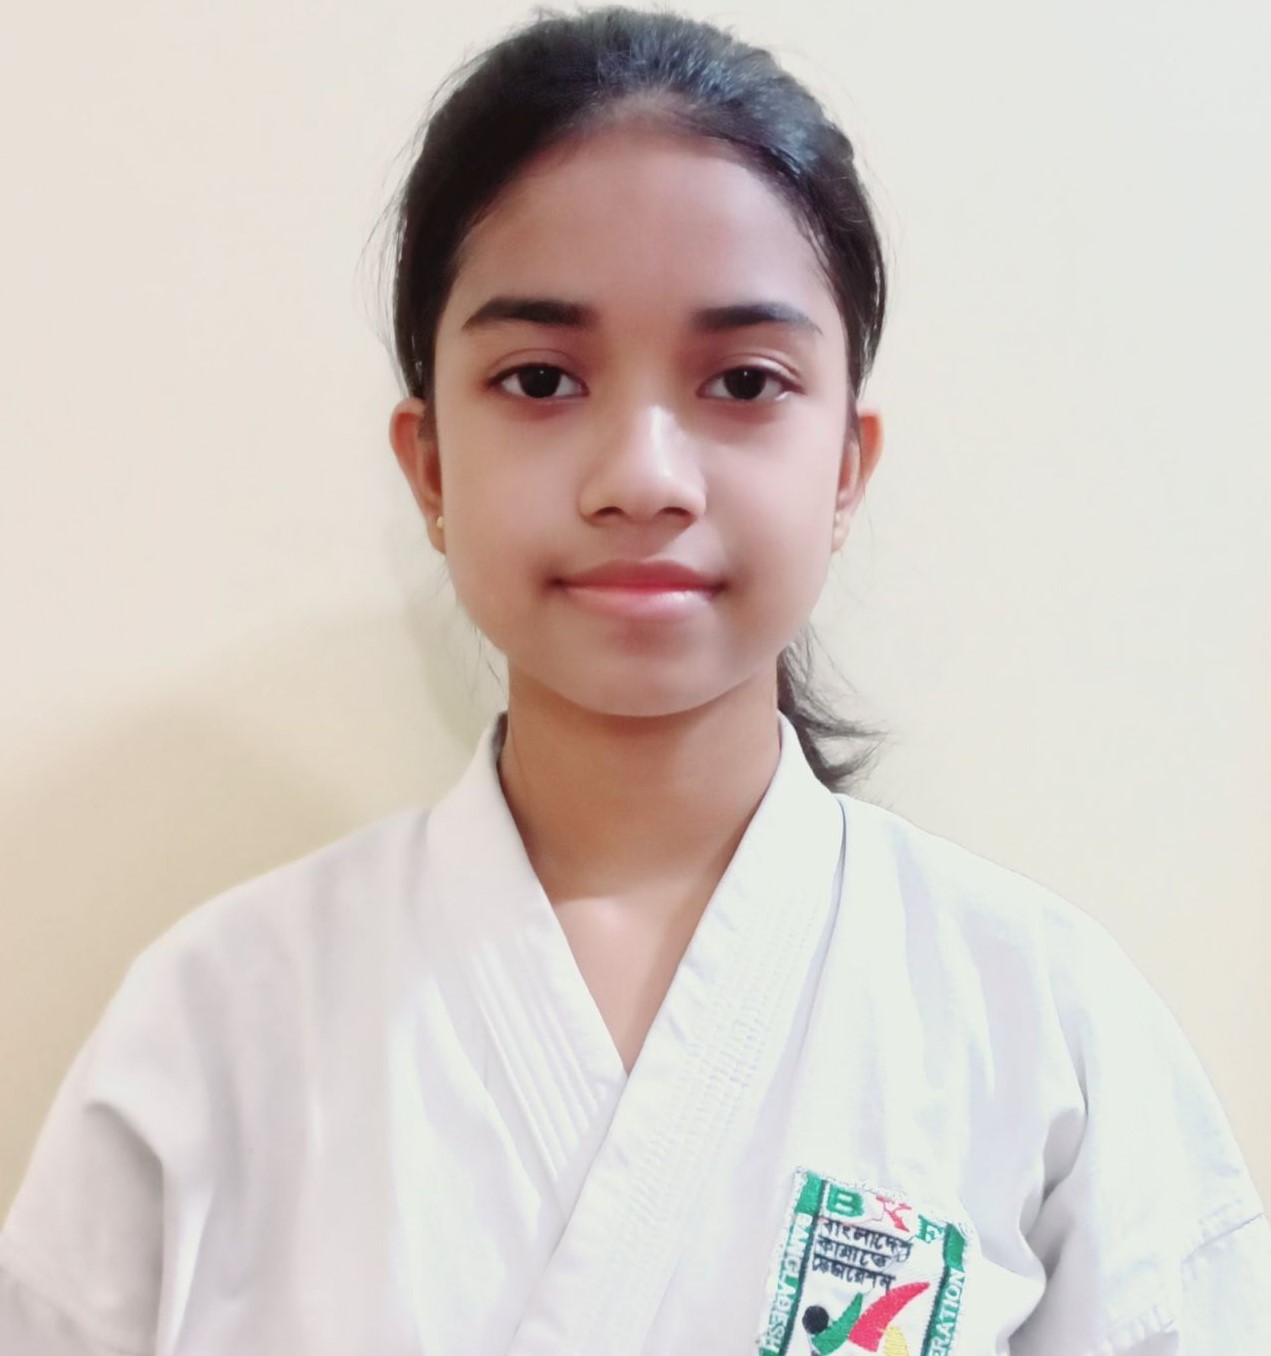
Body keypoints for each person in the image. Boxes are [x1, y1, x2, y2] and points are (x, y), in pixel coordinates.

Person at [2, 6, 1267, 1353]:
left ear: (846, 468)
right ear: (430, 467)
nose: (644, 478)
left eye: (745, 382)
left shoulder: (1041, 1030)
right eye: (542, 379)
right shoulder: (215, 1032)